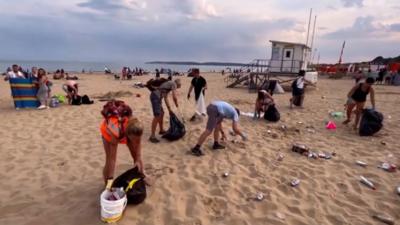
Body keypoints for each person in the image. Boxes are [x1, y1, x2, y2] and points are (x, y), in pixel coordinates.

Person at [101, 115, 145, 183]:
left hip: (126, 131)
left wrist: (137, 160)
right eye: (134, 139)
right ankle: (107, 183)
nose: (135, 141)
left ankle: (142, 176)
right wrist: (110, 180)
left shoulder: (137, 127)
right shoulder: (115, 132)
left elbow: (138, 147)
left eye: (137, 139)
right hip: (107, 133)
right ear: (128, 135)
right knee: (108, 159)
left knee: (136, 155)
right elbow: (112, 159)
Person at [149, 79, 182, 143]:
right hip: (155, 97)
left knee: (162, 113)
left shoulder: (168, 86)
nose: (177, 88)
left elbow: (166, 98)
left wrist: (169, 109)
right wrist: (176, 104)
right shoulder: (174, 84)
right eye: (178, 87)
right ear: (178, 84)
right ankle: (152, 136)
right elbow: (174, 97)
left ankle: (161, 130)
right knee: (157, 116)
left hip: (156, 97)